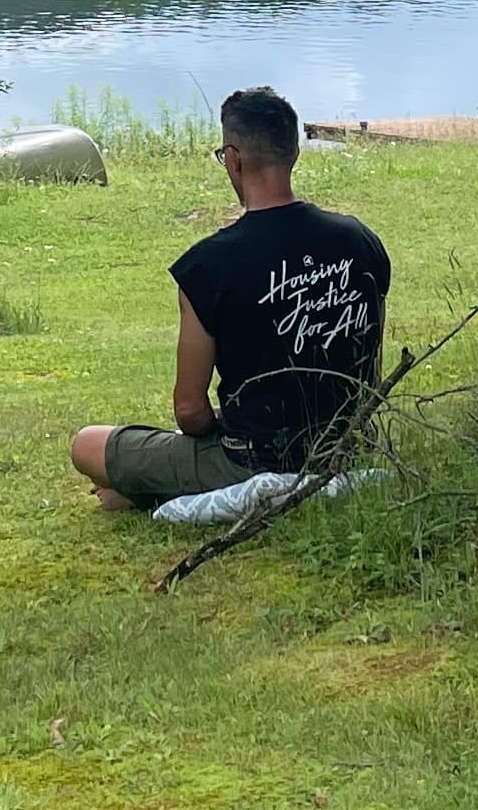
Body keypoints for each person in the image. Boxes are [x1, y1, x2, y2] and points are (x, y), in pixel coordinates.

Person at [71, 85, 391, 512]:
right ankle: (150, 486)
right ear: (292, 153)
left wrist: (225, 427)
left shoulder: (207, 266)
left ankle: (150, 488)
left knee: (87, 444)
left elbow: (189, 412)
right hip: (347, 446)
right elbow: (371, 369)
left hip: (251, 459)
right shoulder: (361, 240)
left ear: (234, 159)